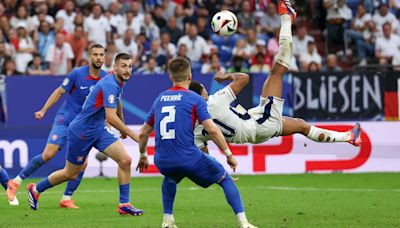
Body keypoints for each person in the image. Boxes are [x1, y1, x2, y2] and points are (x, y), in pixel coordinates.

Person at [190, 0, 362, 150]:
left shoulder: (194, 127)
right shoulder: (214, 101)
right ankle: (286, 18)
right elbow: (244, 78)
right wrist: (225, 76)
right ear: (203, 93)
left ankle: (348, 137)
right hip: (258, 125)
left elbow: (204, 154)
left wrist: (218, 170)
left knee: (301, 125)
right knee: (277, 71)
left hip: (254, 124)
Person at [136, 57, 257, 228]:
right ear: (190, 76)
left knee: (170, 177)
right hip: (188, 157)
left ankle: (167, 220)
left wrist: (142, 156)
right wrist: (229, 155)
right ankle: (244, 223)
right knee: (224, 178)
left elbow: (143, 133)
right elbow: (213, 130)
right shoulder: (194, 99)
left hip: (162, 160)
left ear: (170, 77)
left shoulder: (160, 99)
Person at [27, 53, 144, 216]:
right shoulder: (110, 83)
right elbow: (110, 116)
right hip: (81, 132)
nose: (127, 70)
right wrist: (132, 134)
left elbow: (117, 102)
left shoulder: (119, 82)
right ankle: (36, 189)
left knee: (125, 160)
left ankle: (124, 204)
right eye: (123, 66)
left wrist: (122, 124)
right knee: (70, 173)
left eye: (130, 66)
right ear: (115, 67)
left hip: (98, 130)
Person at [6, 44, 108, 208]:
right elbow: (59, 91)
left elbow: (106, 104)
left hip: (82, 126)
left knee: (83, 164)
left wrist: (106, 121)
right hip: (66, 120)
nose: (98, 57)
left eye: (101, 55)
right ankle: (15, 182)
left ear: (104, 57)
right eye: (95, 54)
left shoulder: (106, 78)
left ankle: (66, 198)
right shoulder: (77, 74)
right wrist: (43, 110)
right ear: (90, 56)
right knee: (48, 154)